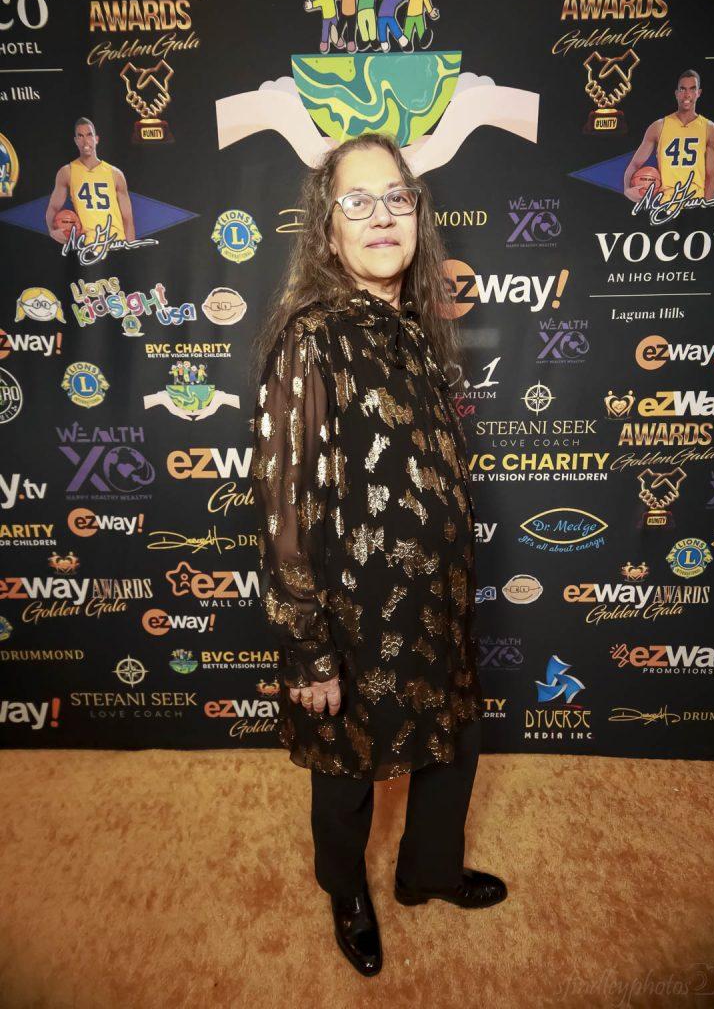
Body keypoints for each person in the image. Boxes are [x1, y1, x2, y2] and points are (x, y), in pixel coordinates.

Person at [250, 134, 507, 978]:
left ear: (417, 214)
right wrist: (307, 647)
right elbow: (285, 508)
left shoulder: (413, 328)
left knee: (455, 740)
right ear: (328, 230)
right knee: (345, 768)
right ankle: (345, 891)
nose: (382, 215)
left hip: (437, 600)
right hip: (354, 614)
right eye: (356, 202)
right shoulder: (311, 338)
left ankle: (427, 871)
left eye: (397, 197)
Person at [623, 69, 714, 204]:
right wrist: (627, 189)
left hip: (695, 203)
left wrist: (704, 210)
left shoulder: (709, 129)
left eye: (692, 89)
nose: (687, 94)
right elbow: (635, 164)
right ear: (676, 93)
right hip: (666, 205)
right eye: (682, 89)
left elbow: (711, 177)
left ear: (699, 93)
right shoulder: (658, 127)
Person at [46, 117, 135, 246]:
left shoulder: (115, 174)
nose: (85, 140)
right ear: (76, 141)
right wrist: (52, 231)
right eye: (80, 136)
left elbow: (128, 219)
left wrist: (130, 250)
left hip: (116, 243)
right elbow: (53, 207)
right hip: (89, 246)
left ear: (96, 139)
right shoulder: (67, 172)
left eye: (89, 135)